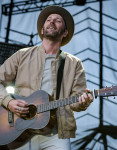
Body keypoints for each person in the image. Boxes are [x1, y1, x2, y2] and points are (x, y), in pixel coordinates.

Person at [0, 5, 93, 150]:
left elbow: (77, 99)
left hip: (56, 133)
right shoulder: (21, 55)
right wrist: (9, 102)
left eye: (57, 21)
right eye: (48, 20)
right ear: (42, 30)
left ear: (65, 32)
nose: (51, 22)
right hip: (21, 131)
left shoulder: (74, 63)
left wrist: (83, 102)